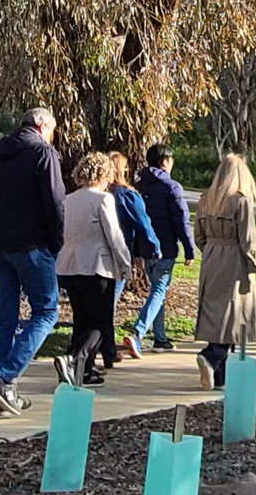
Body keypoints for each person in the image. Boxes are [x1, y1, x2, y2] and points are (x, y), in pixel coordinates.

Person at [0, 107, 65, 416]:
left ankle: (5, 391)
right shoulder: (43, 152)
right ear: (42, 126)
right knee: (46, 310)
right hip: (32, 244)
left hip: (0, 242)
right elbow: (55, 202)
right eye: (52, 130)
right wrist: (56, 242)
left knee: (6, 315)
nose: (52, 136)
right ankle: (6, 376)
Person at [53, 152, 131, 387]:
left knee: (81, 319)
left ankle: (83, 370)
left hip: (70, 265)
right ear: (104, 174)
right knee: (100, 322)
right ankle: (74, 360)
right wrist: (125, 264)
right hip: (97, 266)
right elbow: (114, 237)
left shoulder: (69, 200)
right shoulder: (103, 199)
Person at [194, 155, 256, 390]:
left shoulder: (206, 199)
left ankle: (220, 375)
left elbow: (198, 236)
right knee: (234, 315)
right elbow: (248, 240)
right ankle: (212, 355)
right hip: (234, 260)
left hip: (211, 258)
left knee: (215, 313)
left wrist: (211, 250)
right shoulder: (240, 201)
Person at [122, 144, 195, 357]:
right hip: (166, 246)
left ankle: (160, 338)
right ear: (165, 161)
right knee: (159, 290)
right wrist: (189, 248)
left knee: (156, 290)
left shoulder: (139, 185)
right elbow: (181, 220)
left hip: (146, 247)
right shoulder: (171, 187)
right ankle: (138, 332)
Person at [100, 151, 160, 367]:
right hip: (120, 250)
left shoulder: (100, 194)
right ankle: (105, 346)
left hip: (97, 252)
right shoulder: (127, 195)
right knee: (110, 300)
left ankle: (103, 343)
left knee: (102, 300)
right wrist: (154, 248)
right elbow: (143, 223)